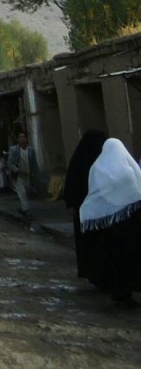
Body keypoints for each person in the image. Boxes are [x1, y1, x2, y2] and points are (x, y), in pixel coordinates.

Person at [78, 138, 141, 307]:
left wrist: (93, 211)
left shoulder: (97, 168)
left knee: (114, 261)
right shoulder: (129, 170)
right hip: (130, 226)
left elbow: (95, 195)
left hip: (110, 229)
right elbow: (137, 192)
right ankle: (125, 292)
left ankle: (118, 291)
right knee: (129, 261)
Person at [63, 129, 108, 280]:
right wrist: (72, 204)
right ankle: (92, 273)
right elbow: (72, 184)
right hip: (84, 211)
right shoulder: (80, 160)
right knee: (88, 244)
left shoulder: (105, 160)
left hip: (101, 212)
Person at [6, 131, 39, 220]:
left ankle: (24, 210)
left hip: (27, 174)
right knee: (22, 193)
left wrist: (36, 175)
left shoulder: (31, 150)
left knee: (26, 191)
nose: (22, 139)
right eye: (20, 137)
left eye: (24, 137)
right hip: (18, 175)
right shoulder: (14, 149)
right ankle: (26, 210)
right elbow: (10, 163)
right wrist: (17, 170)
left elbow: (34, 164)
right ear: (17, 139)